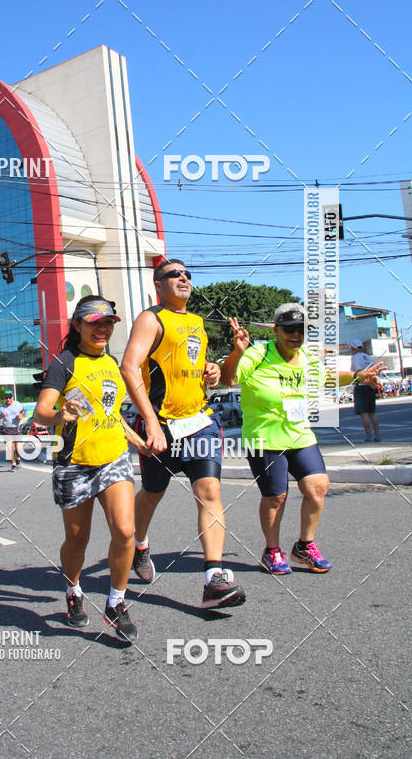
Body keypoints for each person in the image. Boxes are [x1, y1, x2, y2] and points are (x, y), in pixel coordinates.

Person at [120, 259, 246, 610]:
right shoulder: (151, 318)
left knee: (210, 490)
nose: (183, 278)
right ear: (158, 285)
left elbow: (194, 365)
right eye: (174, 274)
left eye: (187, 274)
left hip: (200, 420)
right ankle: (139, 544)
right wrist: (151, 421)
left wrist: (211, 371)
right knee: (153, 492)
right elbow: (129, 367)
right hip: (160, 422)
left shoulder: (197, 322)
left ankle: (214, 579)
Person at [221, 306, 385, 575]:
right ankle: (272, 551)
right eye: (289, 329)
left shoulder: (307, 356)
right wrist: (237, 351)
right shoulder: (259, 354)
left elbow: (326, 378)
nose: (296, 334)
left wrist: (357, 376)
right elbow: (228, 379)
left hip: (300, 434)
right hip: (264, 438)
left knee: (318, 486)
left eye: (301, 330)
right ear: (276, 331)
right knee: (276, 497)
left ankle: (304, 546)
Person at [33, 296, 140, 641]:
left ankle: (116, 602)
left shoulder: (111, 362)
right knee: (77, 540)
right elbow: (41, 411)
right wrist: (58, 415)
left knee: (125, 531)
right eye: (95, 323)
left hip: (113, 457)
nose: (103, 329)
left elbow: (109, 411)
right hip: (75, 463)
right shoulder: (64, 363)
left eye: (108, 323)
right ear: (77, 326)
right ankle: (73, 589)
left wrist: (137, 439)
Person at [349, 340, 381, 442]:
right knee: (372, 412)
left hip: (361, 386)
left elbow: (359, 371)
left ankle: (369, 435)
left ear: (353, 348)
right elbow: (375, 371)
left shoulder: (355, 357)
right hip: (371, 386)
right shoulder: (368, 357)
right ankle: (377, 435)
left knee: (364, 413)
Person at [0, 390, 26, 469]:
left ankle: (18, 457)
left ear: (12, 397)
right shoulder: (2, 407)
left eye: (9, 397)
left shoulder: (18, 404)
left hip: (17, 428)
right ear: (4, 398)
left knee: (18, 448)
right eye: (6, 398)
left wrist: (21, 416)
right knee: (10, 447)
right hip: (7, 430)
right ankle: (13, 464)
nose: (8, 399)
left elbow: (23, 411)